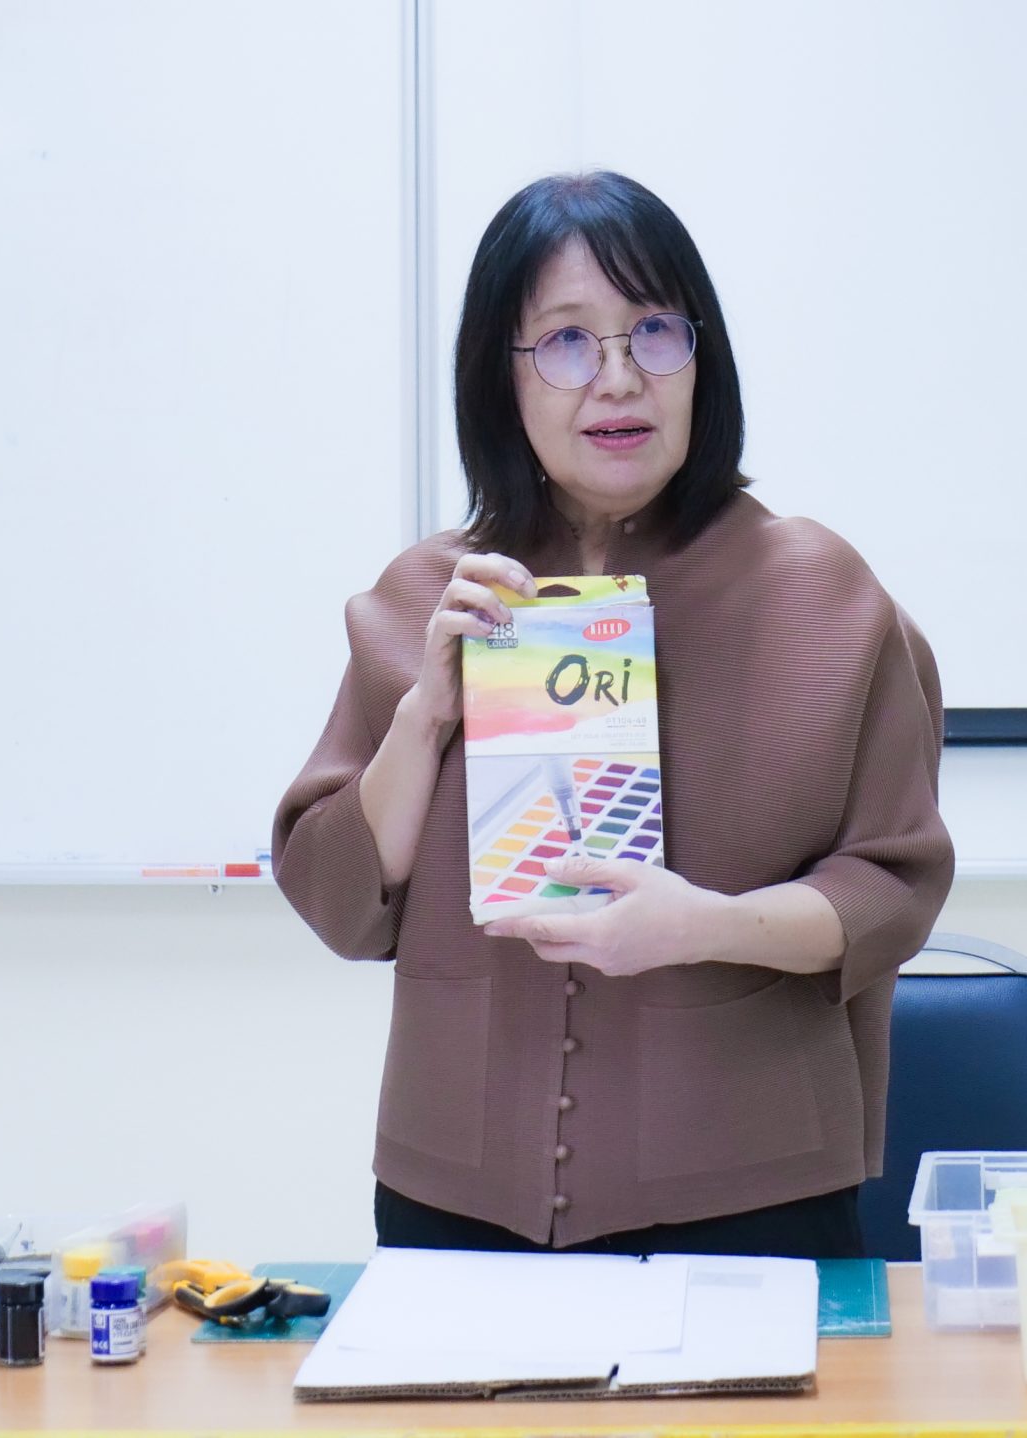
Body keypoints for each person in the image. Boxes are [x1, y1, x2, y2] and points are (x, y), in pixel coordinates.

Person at [273, 171, 952, 1259]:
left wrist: (706, 927)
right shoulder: (428, 600)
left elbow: (894, 889)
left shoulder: (823, 597)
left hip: (751, 1199)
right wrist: (426, 715)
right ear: (500, 374)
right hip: (455, 1202)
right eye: (566, 342)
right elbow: (337, 901)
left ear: (702, 357)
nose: (620, 378)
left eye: (655, 332)